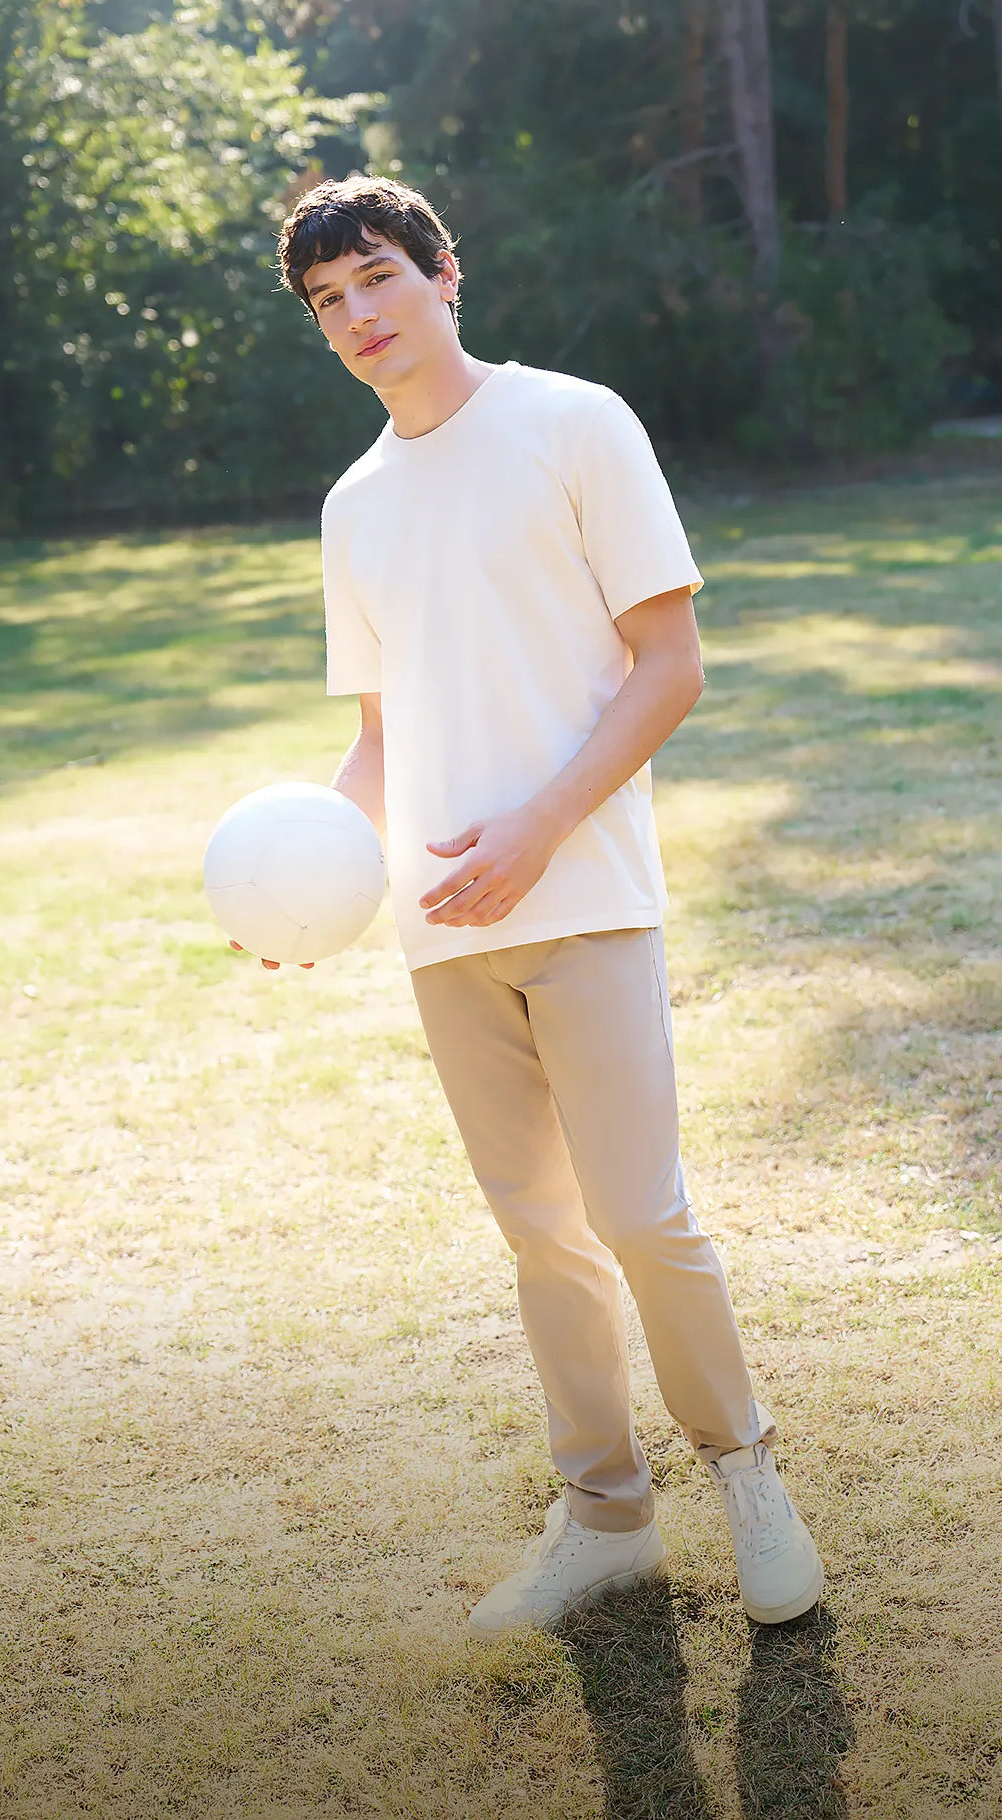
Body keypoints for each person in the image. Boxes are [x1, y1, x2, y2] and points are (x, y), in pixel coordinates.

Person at [264, 172, 824, 1640]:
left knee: (641, 1216)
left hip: (585, 897)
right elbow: (381, 740)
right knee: (543, 1237)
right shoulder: (353, 507)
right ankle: (607, 1517)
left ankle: (748, 1475)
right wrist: (309, 882)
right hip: (443, 931)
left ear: (444, 275)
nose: (359, 315)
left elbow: (670, 665)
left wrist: (537, 828)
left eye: (378, 277)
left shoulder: (576, 422)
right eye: (328, 300)